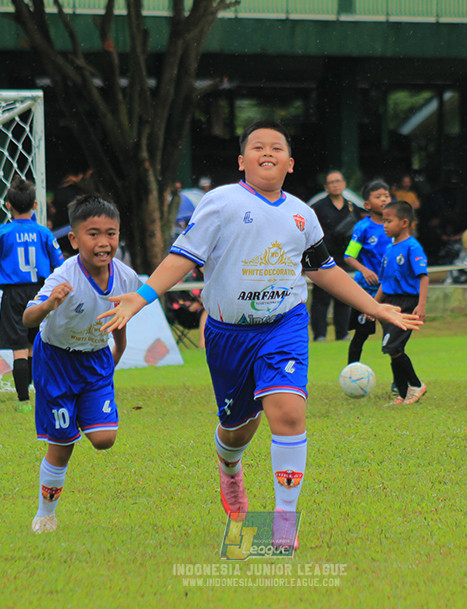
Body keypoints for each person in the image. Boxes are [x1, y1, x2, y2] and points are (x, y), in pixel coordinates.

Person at [98, 120, 421, 551]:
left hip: (284, 325)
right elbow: (182, 258)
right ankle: (229, 467)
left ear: (290, 163)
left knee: (287, 413)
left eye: (276, 148)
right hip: (227, 334)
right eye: (256, 147)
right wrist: (139, 298)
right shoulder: (220, 203)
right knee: (237, 431)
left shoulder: (302, 215)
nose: (266, 152)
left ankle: (284, 521)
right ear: (241, 161)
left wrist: (373, 305)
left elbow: (323, 270)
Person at [23, 195, 141, 534]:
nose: (103, 242)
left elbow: (122, 314)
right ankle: (46, 514)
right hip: (56, 360)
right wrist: (49, 305)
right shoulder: (64, 276)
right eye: (93, 234)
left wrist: (120, 343)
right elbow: (29, 317)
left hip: (95, 359)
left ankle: (82, 412)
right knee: (62, 446)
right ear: (74, 240)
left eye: (111, 233)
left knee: (104, 438)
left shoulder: (127, 276)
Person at [0, 178, 64, 411]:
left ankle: (23, 402)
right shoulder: (44, 233)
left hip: (13, 295)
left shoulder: (2, 233)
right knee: (35, 345)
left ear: (8, 205)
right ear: (36, 205)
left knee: (19, 348)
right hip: (40, 292)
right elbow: (61, 267)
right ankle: (41, 395)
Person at [375, 200, 430, 406]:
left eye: (389, 221)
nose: (385, 225)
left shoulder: (412, 247)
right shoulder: (390, 249)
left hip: (407, 302)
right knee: (392, 348)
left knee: (392, 345)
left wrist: (421, 305)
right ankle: (403, 392)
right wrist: (373, 305)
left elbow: (423, 276)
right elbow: (385, 283)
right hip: (390, 303)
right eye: (383, 221)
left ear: (405, 222)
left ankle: (416, 385)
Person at [342, 179, 391, 365]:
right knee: (361, 335)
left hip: (389, 290)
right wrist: (365, 270)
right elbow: (349, 256)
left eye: (386, 195)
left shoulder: (394, 225)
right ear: (368, 204)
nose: (384, 199)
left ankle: (399, 384)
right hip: (367, 291)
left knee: (392, 337)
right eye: (378, 197)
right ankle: (350, 374)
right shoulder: (363, 228)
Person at [308, 170, 360, 342]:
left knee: (344, 296)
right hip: (323, 257)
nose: (335, 185)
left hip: (344, 258)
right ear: (326, 187)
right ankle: (320, 334)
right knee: (321, 298)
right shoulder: (318, 207)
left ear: (344, 184)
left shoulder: (352, 206)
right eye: (331, 182)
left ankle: (342, 333)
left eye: (338, 181)